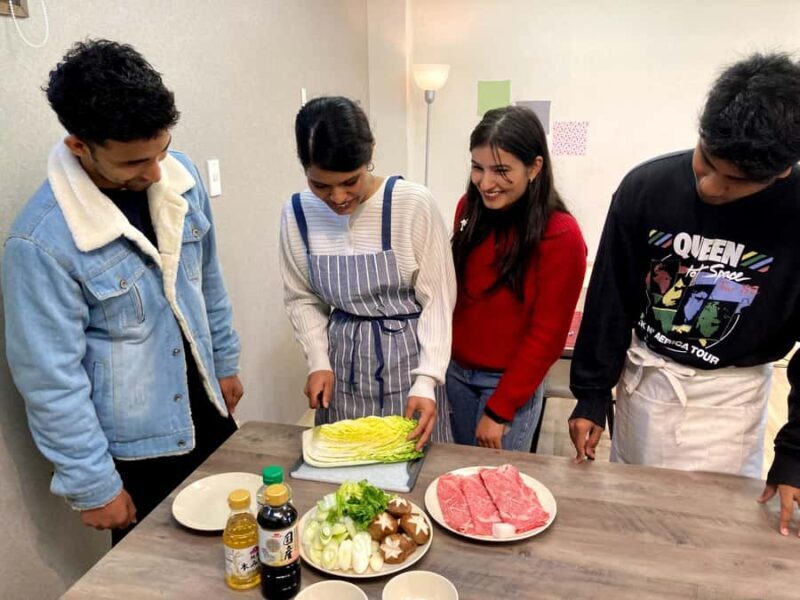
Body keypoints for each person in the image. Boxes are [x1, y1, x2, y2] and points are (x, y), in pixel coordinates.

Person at [3, 40, 243, 544]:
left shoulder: (182, 176)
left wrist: (225, 361)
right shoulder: (40, 243)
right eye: (135, 162)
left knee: (244, 552)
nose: (156, 171)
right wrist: (92, 484)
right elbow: (50, 380)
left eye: (161, 149)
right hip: (139, 451)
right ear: (79, 146)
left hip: (210, 416)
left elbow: (209, 280)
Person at [568, 52, 800, 536]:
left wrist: (795, 453)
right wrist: (591, 395)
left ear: (781, 173)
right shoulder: (646, 187)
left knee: (706, 533)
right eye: (705, 161)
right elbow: (610, 297)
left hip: (728, 399)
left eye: (734, 182)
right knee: (630, 516)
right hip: (647, 380)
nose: (710, 187)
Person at [280, 96, 455, 448]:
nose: (338, 197)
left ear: (370, 153)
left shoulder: (412, 203)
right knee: (346, 471)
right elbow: (301, 298)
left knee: (410, 473)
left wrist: (427, 380)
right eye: (321, 185)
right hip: (342, 369)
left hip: (410, 366)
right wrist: (317, 360)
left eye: (350, 181)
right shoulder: (297, 213)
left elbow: (438, 298)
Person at [448, 106, 586, 450]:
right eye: (477, 168)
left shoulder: (560, 234)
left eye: (501, 170)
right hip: (456, 374)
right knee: (455, 477)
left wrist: (500, 410)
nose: (486, 182)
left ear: (534, 167)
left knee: (494, 491)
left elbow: (548, 335)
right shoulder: (469, 208)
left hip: (507, 385)